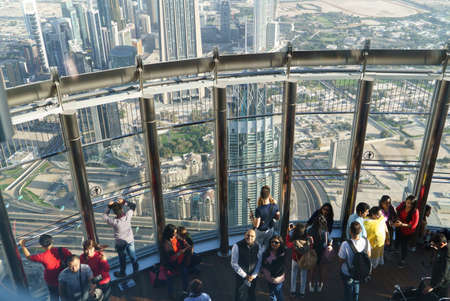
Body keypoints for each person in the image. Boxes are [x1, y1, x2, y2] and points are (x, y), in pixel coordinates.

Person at [19, 234, 72, 301]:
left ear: (41, 245)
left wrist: (23, 245)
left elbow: (29, 257)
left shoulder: (42, 256)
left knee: (54, 297)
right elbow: (72, 258)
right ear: (52, 241)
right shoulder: (63, 250)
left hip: (51, 281)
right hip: (65, 279)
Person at [103, 198, 138, 277]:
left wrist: (109, 206)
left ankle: (122, 272)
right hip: (130, 240)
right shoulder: (128, 216)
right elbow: (133, 206)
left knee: (122, 259)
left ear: (114, 212)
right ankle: (135, 269)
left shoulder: (114, 222)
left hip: (120, 244)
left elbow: (104, 216)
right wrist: (124, 201)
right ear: (122, 209)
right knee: (132, 256)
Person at [338, 222, 371, 301]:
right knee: (356, 285)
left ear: (350, 231)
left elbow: (340, 260)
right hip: (360, 271)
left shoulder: (345, 244)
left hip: (348, 272)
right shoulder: (366, 241)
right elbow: (368, 256)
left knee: (348, 291)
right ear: (360, 231)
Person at [231, 229, 262, 301]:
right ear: (244, 235)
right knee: (239, 293)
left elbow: (259, 261)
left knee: (251, 292)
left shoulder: (258, 246)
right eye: (248, 235)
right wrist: (245, 275)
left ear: (255, 237)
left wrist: (254, 275)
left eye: (252, 236)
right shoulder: (237, 246)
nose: (250, 237)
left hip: (252, 276)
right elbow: (234, 263)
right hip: (241, 275)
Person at [160, 224, 190, 298]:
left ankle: (185, 292)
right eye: (173, 233)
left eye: (175, 232)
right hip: (170, 265)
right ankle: (171, 296)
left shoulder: (174, 237)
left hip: (179, 262)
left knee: (184, 276)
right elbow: (172, 258)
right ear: (169, 233)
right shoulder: (165, 244)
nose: (175, 234)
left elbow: (180, 239)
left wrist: (184, 241)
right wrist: (183, 251)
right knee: (170, 281)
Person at [285, 223, 313, 298]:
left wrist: (288, 233)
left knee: (293, 275)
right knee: (303, 276)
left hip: (295, 259)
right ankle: (302, 292)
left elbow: (287, 244)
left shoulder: (294, 242)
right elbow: (311, 246)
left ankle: (293, 291)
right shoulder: (307, 241)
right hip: (304, 260)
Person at [307, 213, 332, 293]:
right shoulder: (325, 232)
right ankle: (320, 285)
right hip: (322, 253)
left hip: (312, 252)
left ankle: (311, 285)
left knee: (312, 270)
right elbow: (329, 241)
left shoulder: (310, 230)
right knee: (322, 270)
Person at [252, 185, 280, 250]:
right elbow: (277, 218)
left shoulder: (259, 209)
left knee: (258, 248)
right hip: (270, 230)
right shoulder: (275, 206)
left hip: (260, 232)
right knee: (267, 246)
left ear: (261, 196)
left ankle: (259, 259)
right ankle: (265, 258)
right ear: (269, 194)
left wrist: (252, 218)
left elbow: (256, 225)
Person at [422, 233, 450, 299]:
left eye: (435, 245)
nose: (433, 246)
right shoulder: (442, 246)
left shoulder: (447, 255)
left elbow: (444, 273)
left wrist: (432, 286)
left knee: (440, 297)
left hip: (442, 282)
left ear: (442, 244)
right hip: (436, 277)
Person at [394, 195, 419, 268]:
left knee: (404, 245)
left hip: (407, 231)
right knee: (397, 239)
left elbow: (413, 225)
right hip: (399, 227)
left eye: (411, 204)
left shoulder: (415, 212)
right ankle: (396, 249)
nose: (408, 205)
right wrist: (398, 220)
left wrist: (402, 224)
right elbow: (397, 209)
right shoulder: (402, 204)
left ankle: (403, 260)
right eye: (407, 202)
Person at [261, 235, 286, 301]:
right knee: (272, 294)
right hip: (268, 278)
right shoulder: (267, 252)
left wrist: (266, 267)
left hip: (277, 279)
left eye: (276, 242)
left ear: (280, 244)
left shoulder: (282, 254)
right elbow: (263, 263)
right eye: (272, 242)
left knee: (279, 294)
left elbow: (277, 268)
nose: (274, 243)